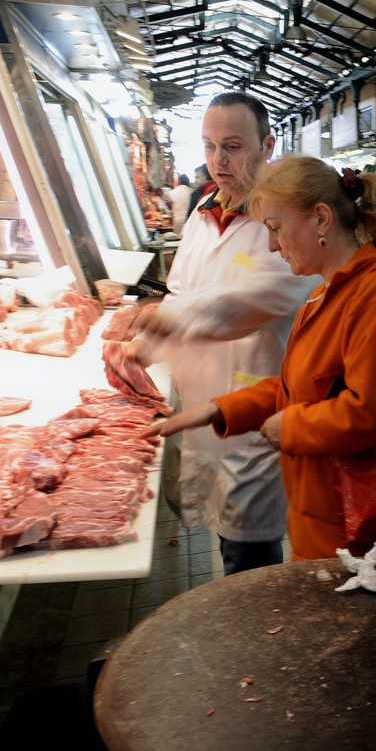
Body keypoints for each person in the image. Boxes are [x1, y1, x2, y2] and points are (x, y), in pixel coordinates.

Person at [143, 158, 376, 562]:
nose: (271, 246)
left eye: (276, 228)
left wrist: (289, 426)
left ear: (321, 219)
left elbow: (371, 415)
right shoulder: (326, 292)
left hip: (367, 544)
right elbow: (295, 385)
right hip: (326, 529)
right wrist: (219, 410)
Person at [128, 92, 319, 576]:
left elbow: (255, 301)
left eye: (233, 146)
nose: (219, 160)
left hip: (253, 413)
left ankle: (258, 645)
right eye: (210, 146)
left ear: (268, 144)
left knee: (249, 557)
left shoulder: (283, 220)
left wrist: (166, 320)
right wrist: (144, 347)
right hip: (201, 408)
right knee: (224, 546)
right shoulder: (203, 211)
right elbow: (179, 293)